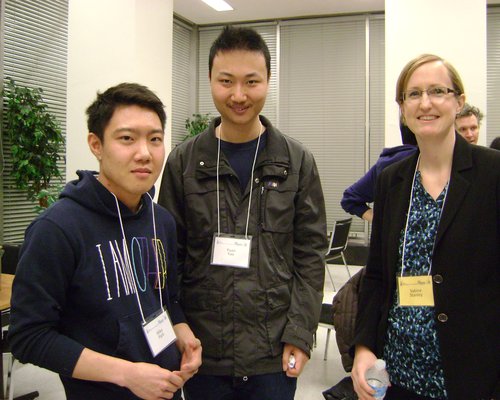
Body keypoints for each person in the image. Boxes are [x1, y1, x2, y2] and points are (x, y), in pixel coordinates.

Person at [158, 26, 327, 400]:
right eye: (226, 81)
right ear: (210, 81)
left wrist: (300, 334)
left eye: (251, 81)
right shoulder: (184, 162)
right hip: (203, 351)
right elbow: (169, 256)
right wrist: (179, 325)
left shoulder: (296, 162)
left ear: (267, 81)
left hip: (273, 351)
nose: (238, 95)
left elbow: (310, 256)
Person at [8, 83, 202, 400]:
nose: (144, 153)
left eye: (154, 139)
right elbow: (29, 336)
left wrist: (182, 332)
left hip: (166, 389)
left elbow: (166, 300)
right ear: (96, 145)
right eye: (127, 138)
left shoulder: (161, 221)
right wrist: (127, 375)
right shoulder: (57, 229)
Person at [351, 54, 500, 400]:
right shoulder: (392, 181)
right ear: (402, 108)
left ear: (458, 101)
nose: (425, 103)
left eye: (437, 90)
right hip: (398, 376)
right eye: (413, 94)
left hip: (472, 377)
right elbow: (376, 275)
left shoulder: (491, 173)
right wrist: (363, 347)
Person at [341, 123, 417, 222]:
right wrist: (381, 224)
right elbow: (350, 199)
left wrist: (382, 224)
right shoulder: (399, 160)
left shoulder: (389, 161)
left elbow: (350, 198)